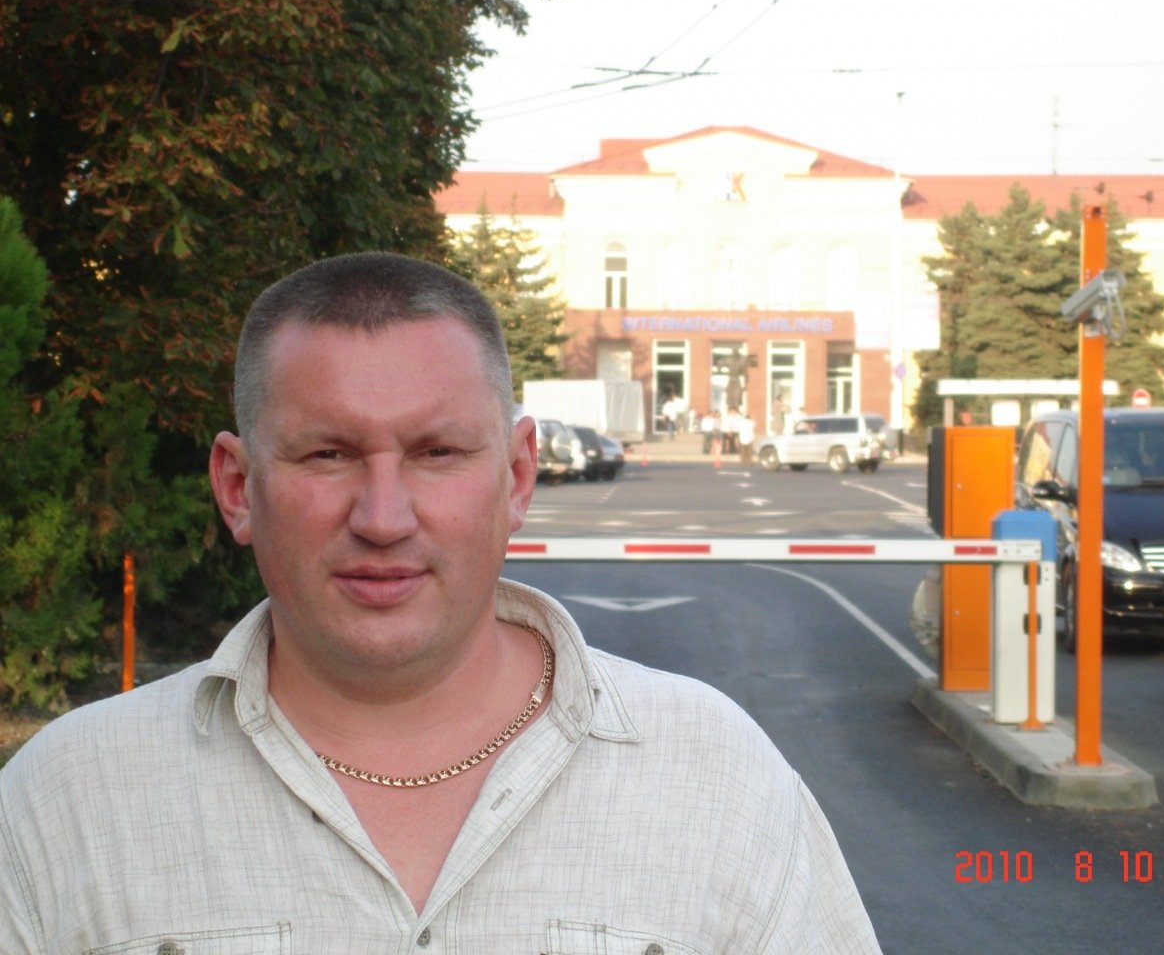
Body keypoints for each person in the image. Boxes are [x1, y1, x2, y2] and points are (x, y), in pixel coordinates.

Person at [0, 253, 881, 954]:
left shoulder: (716, 778)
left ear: (518, 476)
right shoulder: (67, 801)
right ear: (238, 487)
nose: (383, 519)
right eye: (328, 455)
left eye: (436, 453)